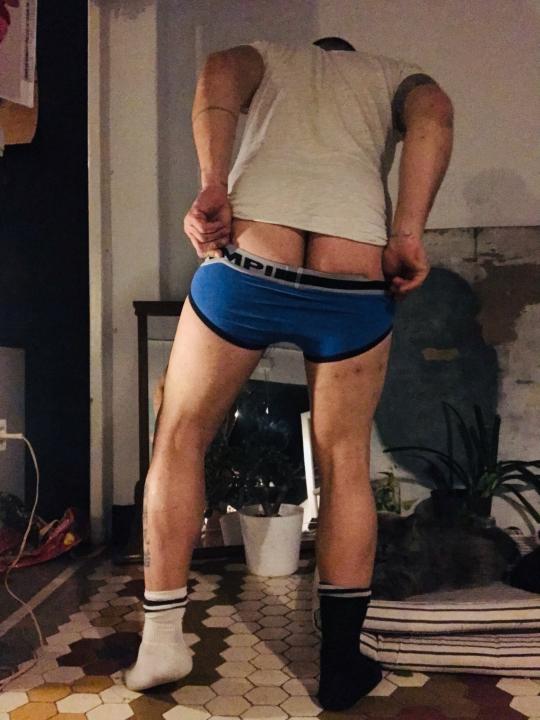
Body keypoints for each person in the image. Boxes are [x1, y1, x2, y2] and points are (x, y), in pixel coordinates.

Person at [125, 35, 454, 711]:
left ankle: (161, 643)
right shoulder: (394, 74)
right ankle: (340, 668)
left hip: (251, 261)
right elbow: (436, 112)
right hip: (351, 280)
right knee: (343, 462)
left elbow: (220, 69)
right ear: (351, 60)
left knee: (180, 435)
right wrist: (408, 231)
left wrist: (214, 184)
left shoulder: (272, 56)